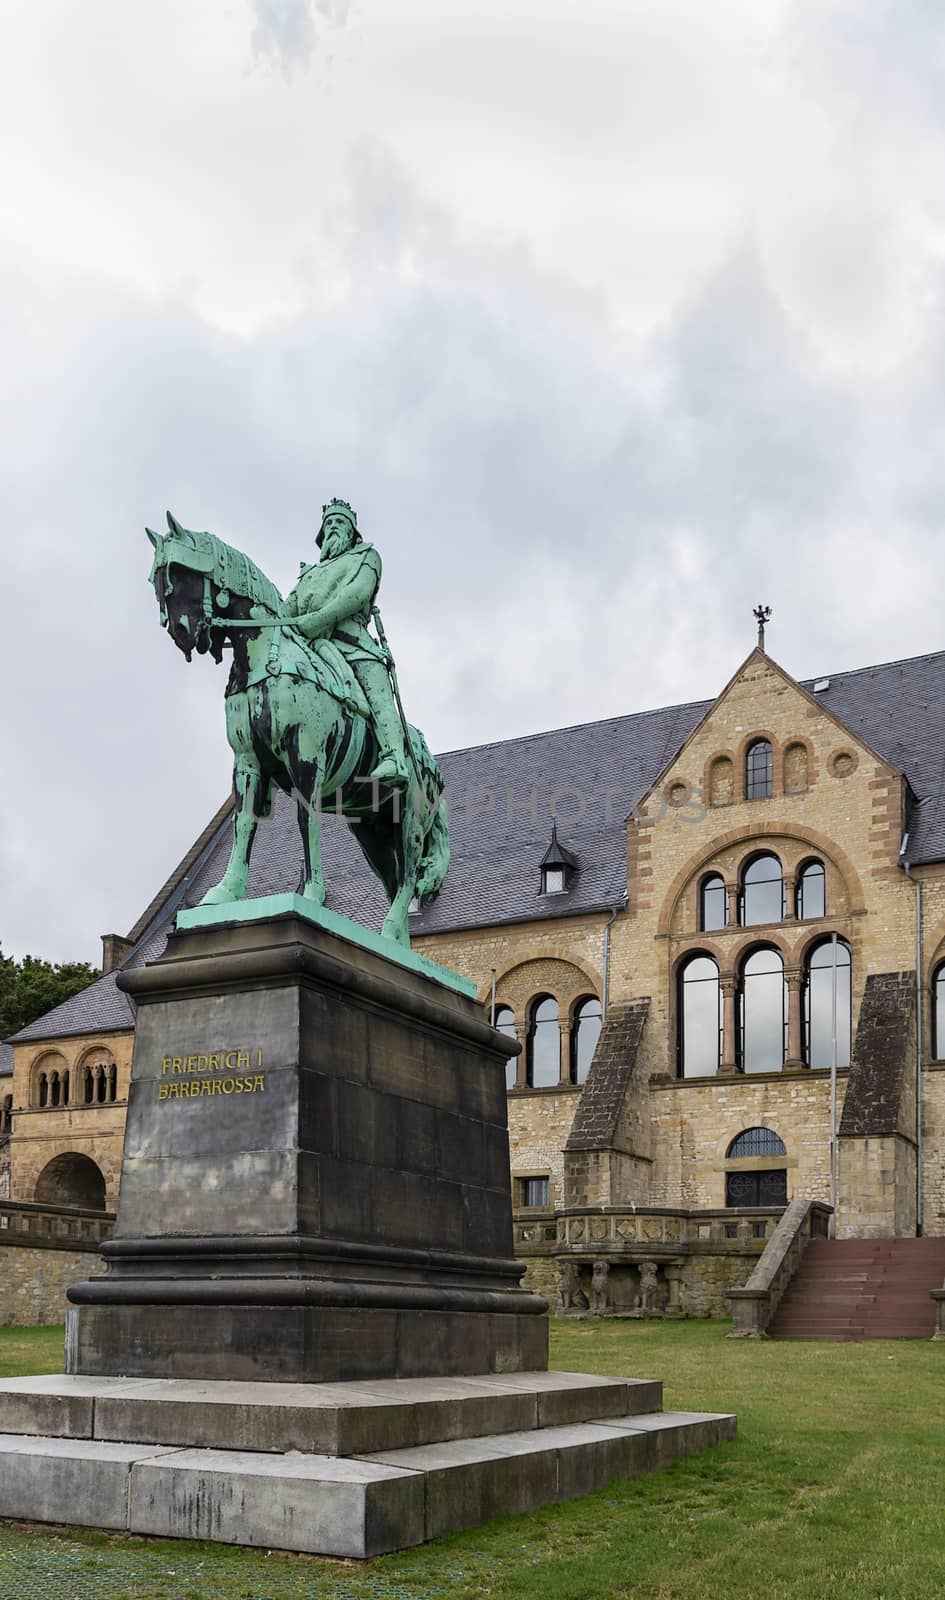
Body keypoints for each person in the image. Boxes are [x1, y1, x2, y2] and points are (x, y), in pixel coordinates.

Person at [283, 499, 410, 787]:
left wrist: (318, 620)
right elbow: (286, 611)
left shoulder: (367, 556)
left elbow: (358, 593)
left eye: (339, 522)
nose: (332, 527)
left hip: (353, 645)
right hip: (309, 648)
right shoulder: (308, 575)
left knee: (378, 695)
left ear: (352, 532)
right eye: (328, 524)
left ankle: (394, 757)